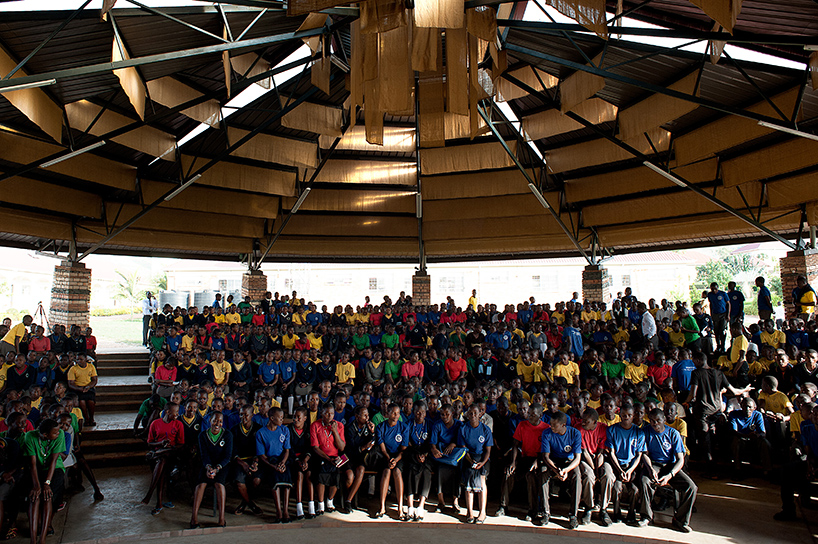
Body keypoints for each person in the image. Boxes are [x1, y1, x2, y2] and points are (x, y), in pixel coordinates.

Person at [639, 408, 697, 533]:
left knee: (691, 487)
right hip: (654, 464)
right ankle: (646, 516)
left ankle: (680, 520)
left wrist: (670, 475)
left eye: (658, 420)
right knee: (645, 481)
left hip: (670, 466)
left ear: (664, 420)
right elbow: (644, 454)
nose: (655, 424)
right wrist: (650, 469)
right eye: (652, 421)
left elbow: (680, 459)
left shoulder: (673, 433)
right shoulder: (645, 432)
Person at [500, 403, 547, 520]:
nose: (529, 416)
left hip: (539, 459)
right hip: (524, 457)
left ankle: (532, 510)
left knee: (531, 476)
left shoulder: (546, 429)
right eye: (529, 414)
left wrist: (537, 462)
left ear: (540, 415)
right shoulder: (522, 425)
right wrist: (513, 462)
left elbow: (546, 451)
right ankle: (503, 506)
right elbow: (515, 445)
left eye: (533, 414)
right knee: (508, 473)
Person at [21, 419, 65, 544]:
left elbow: (53, 461)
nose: (58, 433)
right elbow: (32, 464)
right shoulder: (30, 436)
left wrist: (46, 484)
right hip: (37, 470)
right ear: (45, 434)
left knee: (47, 496)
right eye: (55, 433)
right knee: (34, 497)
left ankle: (42, 539)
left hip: (54, 470)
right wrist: (36, 485)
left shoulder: (60, 434)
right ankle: (33, 539)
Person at [599, 405, 643, 526]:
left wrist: (629, 470)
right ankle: (616, 512)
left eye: (629, 415)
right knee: (617, 487)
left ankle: (631, 512)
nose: (626, 418)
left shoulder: (639, 432)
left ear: (633, 416)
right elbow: (612, 453)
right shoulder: (612, 430)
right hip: (616, 464)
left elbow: (638, 455)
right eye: (624, 415)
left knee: (634, 490)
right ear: (620, 416)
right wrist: (619, 470)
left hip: (630, 466)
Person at [540, 411, 582, 528]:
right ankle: (545, 512)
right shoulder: (547, 433)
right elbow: (546, 456)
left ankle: (573, 515)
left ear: (563, 425)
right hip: (553, 461)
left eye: (555, 425)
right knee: (543, 473)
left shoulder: (575, 434)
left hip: (568, 462)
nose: (551, 427)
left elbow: (577, 458)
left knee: (577, 477)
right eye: (551, 424)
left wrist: (566, 470)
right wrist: (556, 470)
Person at [190, 412, 233, 529]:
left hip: (222, 466)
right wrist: (209, 468)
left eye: (220, 421)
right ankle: (194, 518)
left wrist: (217, 468)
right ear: (210, 421)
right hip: (207, 465)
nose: (217, 424)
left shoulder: (228, 435)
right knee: (201, 484)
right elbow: (204, 455)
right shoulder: (203, 435)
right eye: (214, 421)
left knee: (219, 484)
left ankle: (221, 519)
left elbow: (227, 457)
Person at [142, 402, 184, 515]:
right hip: (159, 454)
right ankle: (157, 502)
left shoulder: (178, 424)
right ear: (167, 412)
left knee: (163, 459)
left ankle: (151, 495)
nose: (177, 415)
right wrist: (161, 443)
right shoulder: (155, 424)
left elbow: (180, 444)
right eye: (175, 413)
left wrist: (169, 446)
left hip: (172, 453)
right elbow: (150, 443)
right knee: (161, 464)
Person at [255, 407, 292, 522]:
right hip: (269, 462)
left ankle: (285, 510)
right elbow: (262, 455)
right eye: (280, 417)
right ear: (271, 418)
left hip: (282, 460)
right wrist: (274, 466)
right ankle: (278, 511)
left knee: (287, 479)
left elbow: (287, 450)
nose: (282, 419)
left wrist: (282, 463)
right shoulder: (261, 433)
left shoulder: (284, 430)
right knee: (275, 479)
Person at [458, 404, 492, 524]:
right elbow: (463, 448)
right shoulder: (463, 429)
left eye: (475, 413)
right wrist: (471, 461)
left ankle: (482, 512)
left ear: (480, 414)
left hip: (482, 458)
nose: (473, 416)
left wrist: (482, 462)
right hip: (468, 457)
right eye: (470, 413)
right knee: (468, 478)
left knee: (482, 481)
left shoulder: (485, 430)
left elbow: (488, 451)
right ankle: (470, 511)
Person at [310, 402, 345, 516]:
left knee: (336, 473)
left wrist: (334, 431)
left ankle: (330, 501)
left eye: (331, 414)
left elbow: (341, 447)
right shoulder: (315, 425)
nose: (329, 416)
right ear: (321, 413)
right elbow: (315, 448)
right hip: (321, 455)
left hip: (335, 457)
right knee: (321, 473)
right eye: (326, 414)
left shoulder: (339, 425)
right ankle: (320, 504)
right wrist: (328, 459)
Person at [375, 404, 407, 519]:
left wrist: (396, 460)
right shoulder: (380, 427)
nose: (395, 416)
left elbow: (403, 449)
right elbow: (382, 448)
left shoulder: (404, 427)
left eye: (398, 413)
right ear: (387, 414)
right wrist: (389, 459)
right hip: (385, 455)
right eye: (393, 413)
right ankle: (382, 507)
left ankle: (400, 508)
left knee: (397, 472)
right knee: (386, 472)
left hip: (398, 456)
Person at [728, 397, 771, 477]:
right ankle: (737, 470)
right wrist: (746, 435)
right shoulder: (734, 414)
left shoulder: (757, 415)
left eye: (750, 407)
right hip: (741, 439)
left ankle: (767, 470)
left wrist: (756, 435)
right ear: (741, 406)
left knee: (765, 442)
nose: (747, 409)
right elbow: (734, 431)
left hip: (754, 441)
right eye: (745, 406)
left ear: (754, 408)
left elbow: (763, 433)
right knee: (735, 440)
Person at [706, 283, 730, 352]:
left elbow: (728, 304)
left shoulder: (723, 294)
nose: (714, 290)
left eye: (715, 289)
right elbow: (711, 304)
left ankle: (723, 346)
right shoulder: (710, 295)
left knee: (722, 331)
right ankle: (718, 345)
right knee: (716, 331)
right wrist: (711, 314)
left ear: (718, 288)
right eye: (712, 289)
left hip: (723, 314)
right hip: (715, 314)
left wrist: (727, 315)